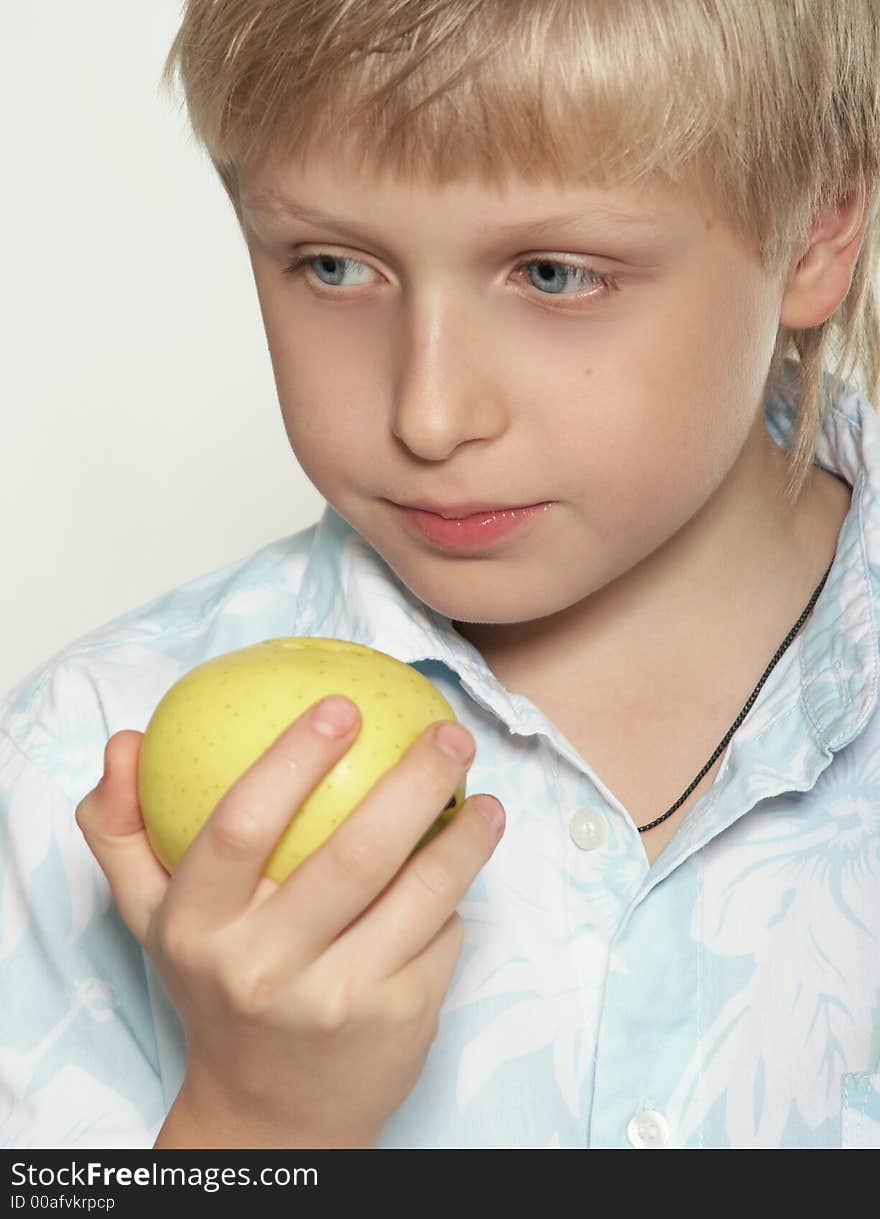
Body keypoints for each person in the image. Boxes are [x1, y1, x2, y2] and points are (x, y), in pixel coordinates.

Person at [2, 0, 879, 1151]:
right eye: (332, 264)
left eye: (555, 273)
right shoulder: (79, 753)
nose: (427, 413)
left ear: (816, 231)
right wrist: (253, 1124)